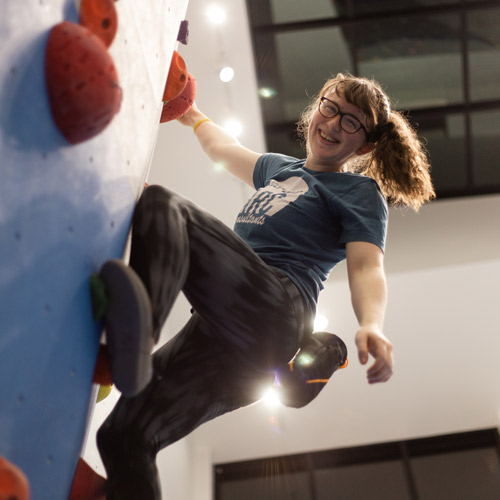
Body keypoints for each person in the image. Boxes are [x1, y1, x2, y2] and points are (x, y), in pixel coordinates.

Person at [95, 73, 435, 499]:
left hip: (278, 310)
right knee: (124, 437)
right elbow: (224, 150)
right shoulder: (279, 168)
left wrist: (372, 323)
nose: (332, 124)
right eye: (330, 108)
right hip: (228, 345)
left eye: (351, 123)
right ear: (315, 109)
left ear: (364, 146)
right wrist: (193, 115)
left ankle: (135, 340)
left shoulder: (358, 191)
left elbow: (367, 266)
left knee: (164, 206)